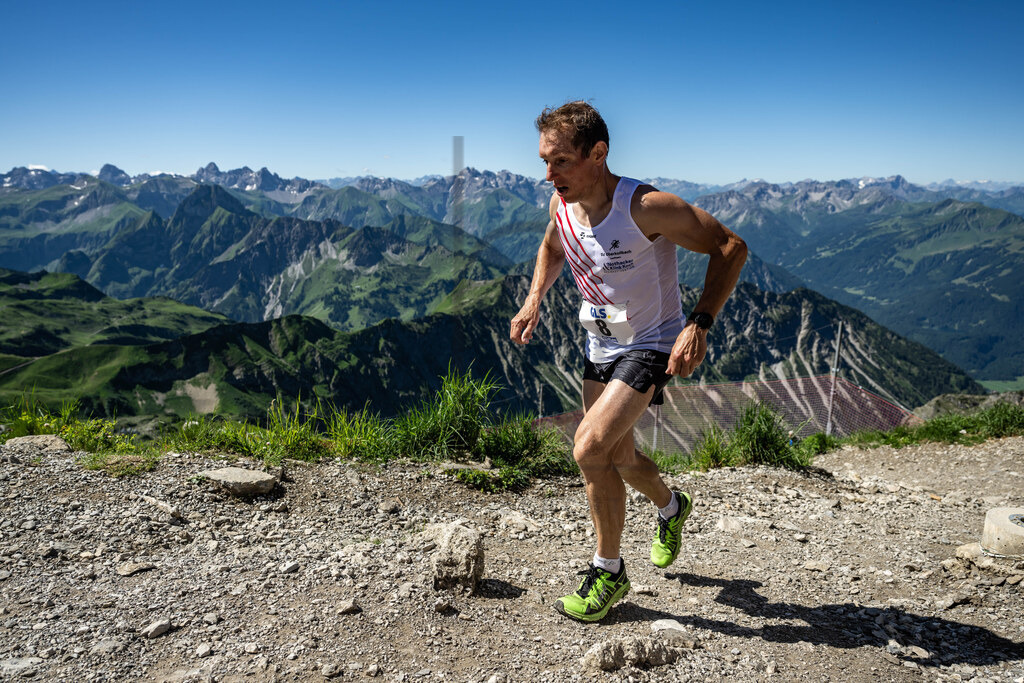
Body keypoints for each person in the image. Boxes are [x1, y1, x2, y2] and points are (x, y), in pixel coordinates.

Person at [509, 101, 747, 622]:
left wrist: (698, 323)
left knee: (589, 447)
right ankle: (671, 506)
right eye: (544, 162)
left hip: (651, 341)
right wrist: (534, 300)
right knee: (617, 458)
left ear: (599, 154)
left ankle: (608, 571)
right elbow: (553, 247)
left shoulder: (645, 207)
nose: (549, 175)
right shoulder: (562, 205)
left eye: (561, 162)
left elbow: (730, 246)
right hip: (602, 340)